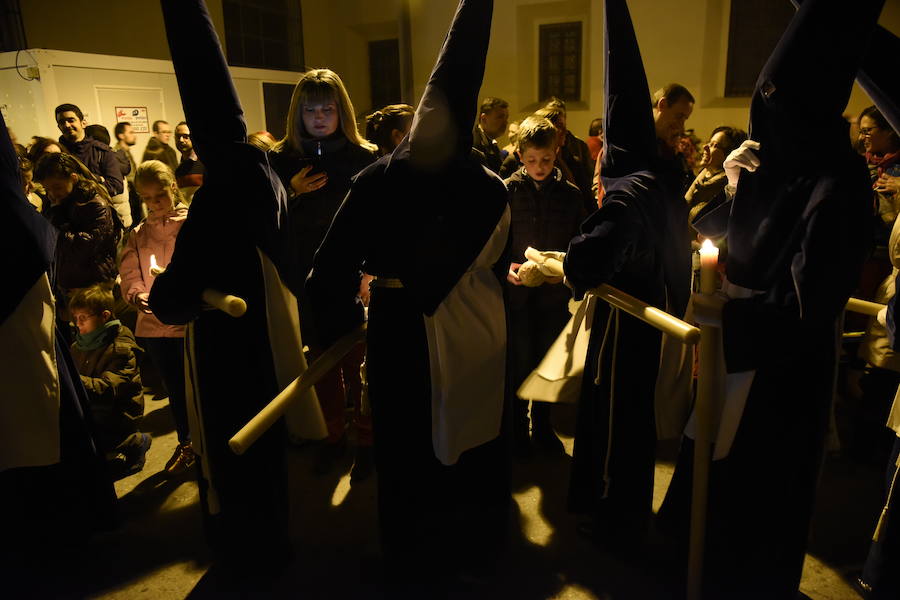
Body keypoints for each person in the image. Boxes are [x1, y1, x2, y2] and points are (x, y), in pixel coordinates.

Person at [657, 0, 882, 596]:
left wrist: (726, 315)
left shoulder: (839, 185)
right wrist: (735, 191)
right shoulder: (781, 158)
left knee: (756, 498)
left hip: (779, 371)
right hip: (737, 348)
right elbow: (727, 233)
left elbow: (806, 310)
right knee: (709, 474)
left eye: (777, 103)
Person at [307, 0, 510, 590]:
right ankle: (477, 544)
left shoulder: (379, 178)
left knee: (407, 444)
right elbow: (498, 264)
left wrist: (338, 327)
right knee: (473, 437)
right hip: (480, 323)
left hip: (400, 325)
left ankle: (413, 555)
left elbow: (330, 268)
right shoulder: (491, 186)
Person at [150, 0, 326, 584]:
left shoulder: (220, 192)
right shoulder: (264, 174)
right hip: (266, 340)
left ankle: (247, 554)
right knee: (266, 450)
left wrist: (173, 298)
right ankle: (272, 541)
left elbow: (174, 294)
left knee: (232, 456)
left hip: (226, 348)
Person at [563, 0, 692, 556]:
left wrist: (563, 263)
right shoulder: (661, 180)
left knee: (617, 420)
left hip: (626, 318)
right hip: (651, 316)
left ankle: (615, 517)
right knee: (628, 416)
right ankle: (614, 508)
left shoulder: (629, 192)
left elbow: (588, 261)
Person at [268, 68, 377, 475]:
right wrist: (291, 193)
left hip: (355, 276)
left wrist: (371, 273)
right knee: (322, 365)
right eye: (310, 109)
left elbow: (378, 221)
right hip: (303, 279)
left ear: (340, 111)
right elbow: (265, 225)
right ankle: (332, 435)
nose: (318, 117)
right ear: (298, 112)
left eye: (327, 108)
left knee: (364, 365)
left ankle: (366, 437)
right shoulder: (280, 160)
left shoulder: (363, 157)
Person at [505, 116, 584, 458]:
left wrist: (563, 269)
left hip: (553, 296)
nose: (539, 167)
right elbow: (496, 242)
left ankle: (544, 424)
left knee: (547, 361)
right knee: (519, 359)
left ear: (556, 152)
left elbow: (579, 240)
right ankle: (518, 428)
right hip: (516, 296)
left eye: (547, 160)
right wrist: (506, 267)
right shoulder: (506, 190)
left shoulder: (570, 195)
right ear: (520, 155)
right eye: (532, 160)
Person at [119, 160, 193, 476]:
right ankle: (187, 443)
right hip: (154, 326)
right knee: (175, 389)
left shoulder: (191, 224)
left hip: (188, 321)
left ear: (172, 188)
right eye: (147, 198)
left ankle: (209, 443)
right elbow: (130, 271)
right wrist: (138, 294)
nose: (154, 204)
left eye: (159, 196)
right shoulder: (138, 233)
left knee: (198, 388)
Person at [68, 284, 150, 480]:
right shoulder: (79, 346)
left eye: (83, 318)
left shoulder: (121, 349)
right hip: (96, 406)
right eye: (76, 319)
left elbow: (106, 390)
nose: (78, 324)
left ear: (104, 316)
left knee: (90, 437)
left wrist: (70, 379)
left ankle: (136, 442)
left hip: (120, 412)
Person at [34, 152, 119, 295]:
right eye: (47, 189)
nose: (52, 193)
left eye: (57, 187)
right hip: (70, 281)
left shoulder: (94, 204)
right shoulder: (57, 203)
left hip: (94, 284)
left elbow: (85, 247)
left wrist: (56, 231)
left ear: (73, 178)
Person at [54, 103, 124, 198]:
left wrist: (85, 185)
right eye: (62, 122)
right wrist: (99, 179)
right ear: (59, 127)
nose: (66, 125)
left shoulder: (101, 151)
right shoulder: (57, 153)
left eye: (71, 120)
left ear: (83, 123)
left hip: (97, 209)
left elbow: (116, 186)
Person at [685, 126, 748, 227]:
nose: (705, 147)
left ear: (729, 155)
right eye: (709, 143)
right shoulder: (701, 176)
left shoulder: (728, 189)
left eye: (715, 145)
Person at [860, 105, 900, 244]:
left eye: (866, 131)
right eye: (861, 131)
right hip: (868, 248)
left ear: (889, 130)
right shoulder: (862, 164)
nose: (861, 137)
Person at [86, 123, 132, 229]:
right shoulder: (118, 155)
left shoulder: (102, 160)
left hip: (115, 220)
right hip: (124, 216)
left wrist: (99, 179)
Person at [114, 122, 144, 227]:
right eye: (130, 132)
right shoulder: (118, 154)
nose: (134, 135)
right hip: (129, 198)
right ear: (121, 135)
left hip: (134, 196)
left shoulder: (126, 152)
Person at [472, 96, 509, 173]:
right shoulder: (473, 143)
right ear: (484, 119)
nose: (506, 122)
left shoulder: (490, 142)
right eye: (500, 117)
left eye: (506, 118)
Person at [174, 121, 205, 204]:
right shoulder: (179, 170)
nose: (181, 140)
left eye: (185, 136)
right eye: (178, 136)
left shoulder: (205, 163)